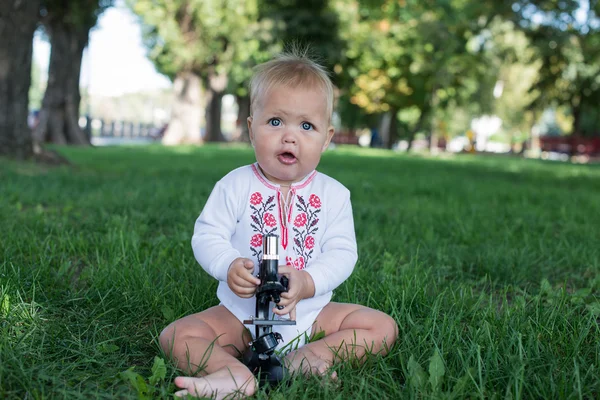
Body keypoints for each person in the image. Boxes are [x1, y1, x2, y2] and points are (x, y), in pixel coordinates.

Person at [160, 50, 398, 399]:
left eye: (306, 126)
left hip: (311, 314)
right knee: (175, 334)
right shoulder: (235, 184)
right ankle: (233, 375)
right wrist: (227, 264)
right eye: (275, 122)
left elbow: (343, 252)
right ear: (250, 128)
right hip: (239, 315)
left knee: (382, 326)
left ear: (326, 138)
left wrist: (308, 281)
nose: (290, 137)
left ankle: (309, 358)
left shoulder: (334, 194)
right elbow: (208, 233)